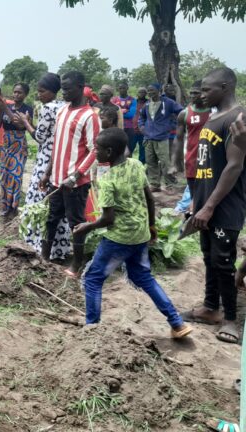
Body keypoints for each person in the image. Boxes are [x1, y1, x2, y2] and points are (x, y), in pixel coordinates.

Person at [73, 129, 193, 338]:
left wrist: (87, 227)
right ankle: (177, 323)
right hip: (140, 233)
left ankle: (91, 329)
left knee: (92, 278)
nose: (95, 152)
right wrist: (152, 227)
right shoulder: (137, 165)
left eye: (97, 149)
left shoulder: (108, 179)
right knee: (143, 277)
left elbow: (108, 219)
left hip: (119, 238)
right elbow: (149, 199)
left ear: (109, 152)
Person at [185, 67, 246, 345]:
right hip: (206, 203)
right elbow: (205, 168)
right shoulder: (213, 118)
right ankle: (210, 307)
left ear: (225, 87)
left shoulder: (237, 118)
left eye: (208, 90)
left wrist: (209, 207)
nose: (202, 94)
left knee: (223, 262)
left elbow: (234, 167)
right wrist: (197, 204)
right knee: (209, 256)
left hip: (226, 206)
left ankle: (231, 319)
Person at [39, 71, 101, 277]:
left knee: (76, 223)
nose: (63, 92)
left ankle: (76, 264)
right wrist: (47, 173)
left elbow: (95, 150)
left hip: (76, 182)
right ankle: (44, 257)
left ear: (81, 87)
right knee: (51, 219)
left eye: (68, 88)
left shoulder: (90, 116)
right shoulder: (63, 110)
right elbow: (56, 145)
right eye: (62, 88)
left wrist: (75, 175)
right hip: (56, 179)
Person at [18, 73, 70, 260]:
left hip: (45, 161)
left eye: (42, 91)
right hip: (61, 160)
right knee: (57, 206)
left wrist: (26, 123)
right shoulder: (66, 107)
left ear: (52, 91)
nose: (39, 95)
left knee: (39, 202)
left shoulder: (48, 108)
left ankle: (36, 245)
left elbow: (39, 137)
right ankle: (59, 249)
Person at [0, 83, 34, 220]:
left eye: (20, 92)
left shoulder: (27, 109)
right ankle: (5, 206)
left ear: (25, 95)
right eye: (15, 92)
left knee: (16, 176)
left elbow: (19, 124)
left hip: (19, 145)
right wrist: (1, 110)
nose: (16, 95)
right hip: (6, 144)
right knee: (5, 176)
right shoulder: (7, 107)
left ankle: (14, 206)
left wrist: (5, 108)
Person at [171, 81, 211, 214]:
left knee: (210, 188)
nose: (193, 95)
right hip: (192, 157)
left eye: (196, 93)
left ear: (204, 93)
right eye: (191, 93)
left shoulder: (214, 112)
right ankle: (192, 215)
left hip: (211, 157)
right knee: (193, 189)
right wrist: (174, 163)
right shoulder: (184, 113)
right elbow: (178, 138)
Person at [138, 83, 183, 193]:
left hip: (162, 138)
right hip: (148, 138)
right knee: (151, 161)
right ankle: (155, 184)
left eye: (152, 90)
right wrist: (142, 127)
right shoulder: (147, 104)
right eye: (148, 91)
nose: (150, 93)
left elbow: (181, 111)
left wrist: (172, 124)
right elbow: (142, 117)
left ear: (159, 91)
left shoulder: (167, 103)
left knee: (165, 162)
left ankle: (170, 185)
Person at [115, 82, 137, 155]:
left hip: (130, 127)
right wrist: (125, 111)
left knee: (130, 148)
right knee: (118, 148)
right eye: (120, 88)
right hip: (117, 127)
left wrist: (119, 112)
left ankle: (129, 164)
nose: (122, 90)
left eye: (123, 88)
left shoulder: (132, 100)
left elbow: (131, 114)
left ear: (127, 88)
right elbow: (112, 113)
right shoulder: (114, 100)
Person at [133, 87, 148, 163]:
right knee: (130, 148)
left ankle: (141, 166)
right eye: (140, 92)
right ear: (137, 93)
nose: (141, 94)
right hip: (133, 129)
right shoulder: (133, 102)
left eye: (143, 92)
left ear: (146, 94)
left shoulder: (148, 102)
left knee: (143, 150)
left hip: (144, 130)